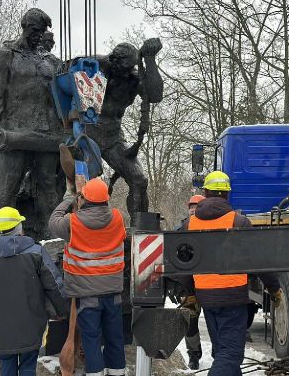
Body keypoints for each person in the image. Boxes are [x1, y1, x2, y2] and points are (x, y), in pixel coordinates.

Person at [182, 171, 280, 375]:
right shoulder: (240, 222)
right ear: (226, 195)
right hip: (233, 298)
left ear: (206, 193)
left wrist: (190, 293)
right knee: (230, 354)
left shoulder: (190, 224)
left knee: (224, 353)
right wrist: (274, 288)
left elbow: (183, 264)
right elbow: (258, 259)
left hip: (206, 298)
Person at [0, 8, 64, 240]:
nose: (38, 35)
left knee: (48, 186)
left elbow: (63, 96)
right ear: (24, 27)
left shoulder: (51, 61)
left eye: (42, 32)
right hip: (15, 132)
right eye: (35, 30)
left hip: (47, 134)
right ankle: (0, 237)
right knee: (6, 185)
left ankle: (53, 238)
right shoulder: (5, 55)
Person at [0, 206, 68, 376]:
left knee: (6, 366)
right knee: (28, 366)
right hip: (32, 324)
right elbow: (54, 284)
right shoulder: (36, 253)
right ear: (18, 227)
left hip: (1, 328)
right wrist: (62, 311)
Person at [49, 178, 127, 376]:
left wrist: (68, 199)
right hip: (113, 291)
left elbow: (53, 221)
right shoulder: (118, 217)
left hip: (87, 294)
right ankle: (117, 373)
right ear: (107, 199)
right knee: (115, 337)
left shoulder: (72, 222)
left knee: (91, 338)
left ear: (83, 198)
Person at [87, 39, 163, 224]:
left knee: (139, 180)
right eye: (124, 67)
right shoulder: (94, 65)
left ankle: (139, 229)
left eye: (131, 67)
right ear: (114, 60)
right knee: (83, 186)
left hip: (113, 137)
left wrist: (150, 60)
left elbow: (155, 95)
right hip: (86, 134)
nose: (127, 72)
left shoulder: (132, 77)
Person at [176, 194, 205, 370]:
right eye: (191, 207)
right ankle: (193, 355)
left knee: (214, 320)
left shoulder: (211, 229)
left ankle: (219, 354)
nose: (193, 210)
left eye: (197, 206)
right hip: (190, 287)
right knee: (191, 323)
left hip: (209, 284)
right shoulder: (182, 229)